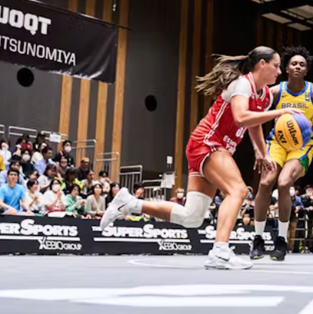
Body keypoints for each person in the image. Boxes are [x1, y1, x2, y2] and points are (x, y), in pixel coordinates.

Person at [101, 46, 294, 270]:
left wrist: (263, 152)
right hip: (208, 143)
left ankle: (131, 203)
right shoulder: (242, 84)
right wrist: (281, 113)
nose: (279, 71)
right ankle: (220, 251)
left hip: (211, 148)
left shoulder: (265, 96)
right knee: (238, 191)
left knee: (192, 216)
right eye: (276, 66)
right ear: (262, 64)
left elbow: (254, 124)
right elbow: (241, 117)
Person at [251, 46, 313, 261]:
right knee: (265, 183)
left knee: (284, 184)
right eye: (294, 63)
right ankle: (257, 239)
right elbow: (253, 119)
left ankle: (281, 241)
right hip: (277, 142)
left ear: (306, 69)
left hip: (303, 146)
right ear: (286, 68)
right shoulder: (275, 91)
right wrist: (258, 149)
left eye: (302, 64)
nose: (298, 66)